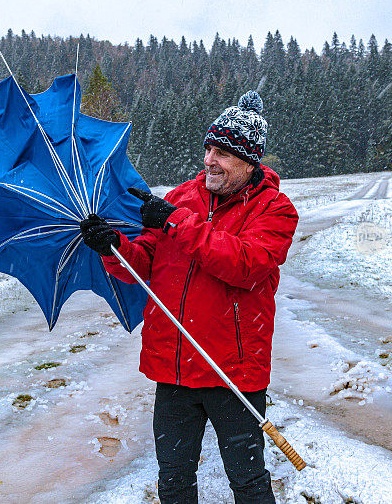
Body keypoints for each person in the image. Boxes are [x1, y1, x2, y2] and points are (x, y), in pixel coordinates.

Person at [80, 91, 298, 503]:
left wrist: (177, 223)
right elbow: (144, 264)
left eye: (224, 153)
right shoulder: (181, 197)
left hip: (233, 373)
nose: (210, 160)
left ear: (250, 162)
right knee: (174, 480)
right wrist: (114, 248)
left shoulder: (276, 210)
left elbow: (246, 265)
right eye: (209, 148)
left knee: (247, 481)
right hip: (173, 368)